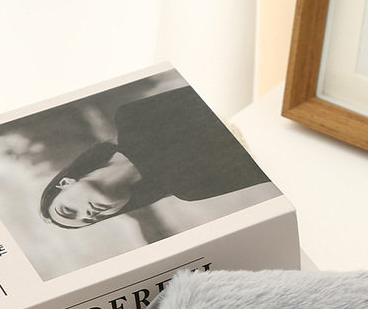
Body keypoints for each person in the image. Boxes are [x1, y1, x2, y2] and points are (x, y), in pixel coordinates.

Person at [40, 84, 269, 228]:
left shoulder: (132, 118)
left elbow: (226, 87)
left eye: (69, 211)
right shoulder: (190, 189)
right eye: (89, 221)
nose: (88, 215)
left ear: (66, 183)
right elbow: (271, 167)